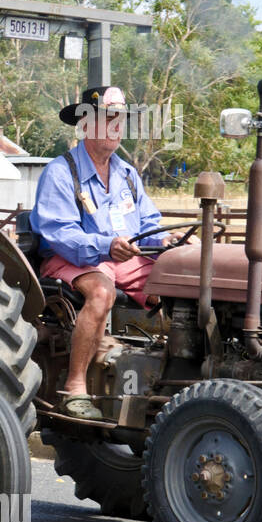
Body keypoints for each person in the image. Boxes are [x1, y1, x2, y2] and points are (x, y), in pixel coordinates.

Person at [31, 85, 164, 420]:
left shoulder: (127, 174)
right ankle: (75, 388)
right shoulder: (60, 173)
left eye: (121, 119)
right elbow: (59, 234)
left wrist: (170, 241)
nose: (116, 126)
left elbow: (149, 222)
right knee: (102, 291)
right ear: (86, 126)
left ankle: (165, 378)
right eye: (108, 118)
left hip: (123, 257)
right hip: (69, 258)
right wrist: (104, 246)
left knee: (177, 284)